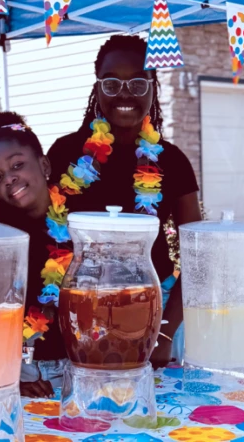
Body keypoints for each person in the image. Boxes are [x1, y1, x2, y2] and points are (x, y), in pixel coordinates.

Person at [47, 35, 202, 366]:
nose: (125, 93)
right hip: (78, 317)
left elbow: (196, 258)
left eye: (137, 82)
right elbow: (44, 232)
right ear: (98, 87)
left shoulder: (173, 161)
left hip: (148, 316)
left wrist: (163, 333)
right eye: (112, 82)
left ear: (152, 86)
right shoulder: (64, 154)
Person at [0, 112, 64, 398]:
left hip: (77, 360)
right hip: (20, 361)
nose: (10, 178)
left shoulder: (75, 214)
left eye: (17, 165)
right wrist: (9, 380)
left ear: (44, 164)